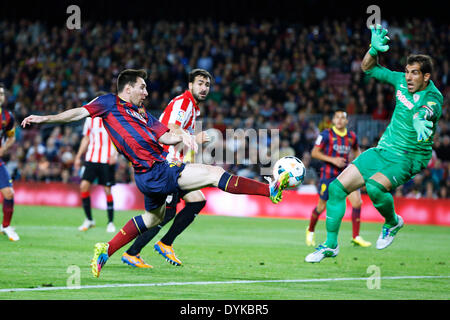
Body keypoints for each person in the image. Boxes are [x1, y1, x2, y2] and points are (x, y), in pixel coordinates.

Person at [21, 68, 290, 277]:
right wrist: (45, 118)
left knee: (152, 218)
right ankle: (270, 190)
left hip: (149, 176)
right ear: (128, 88)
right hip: (158, 170)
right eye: (142, 87)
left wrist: (185, 137)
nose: (146, 92)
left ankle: (107, 250)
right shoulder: (108, 103)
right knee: (212, 172)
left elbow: (166, 137)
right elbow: (77, 113)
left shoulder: (144, 116)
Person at [305, 25, 443, 263]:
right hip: (383, 150)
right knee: (337, 189)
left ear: (426, 77)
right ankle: (330, 245)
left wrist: (421, 118)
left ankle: (392, 222)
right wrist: (372, 49)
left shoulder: (434, 97)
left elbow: (428, 110)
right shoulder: (400, 80)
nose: (408, 77)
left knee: (375, 187)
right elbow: (368, 68)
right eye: (407, 71)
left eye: (415, 73)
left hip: (409, 156)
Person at [121, 69, 212, 268]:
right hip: (166, 163)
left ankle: (162, 243)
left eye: (207, 84)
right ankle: (135, 251)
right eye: (200, 83)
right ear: (190, 85)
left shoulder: (194, 108)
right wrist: (192, 137)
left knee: (196, 201)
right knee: (164, 214)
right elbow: (171, 126)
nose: (204, 88)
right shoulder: (184, 102)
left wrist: (191, 142)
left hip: (176, 162)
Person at [306, 109, 371, 248]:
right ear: (333, 120)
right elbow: (314, 153)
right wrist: (333, 160)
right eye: (337, 117)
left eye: (343, 118)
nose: (340, 120)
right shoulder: (325, 135)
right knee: (321, 206)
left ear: (347, 121)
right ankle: (310, 230)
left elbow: (356, 151)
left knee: (357, 203)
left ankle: (356, 236)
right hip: (329, 175)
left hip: (346, 175)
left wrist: (360, 166)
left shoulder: (352, 136)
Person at [74, 110, 119, 233]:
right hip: (91, 159)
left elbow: (118, 137)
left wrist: (115, 154)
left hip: (106, 159)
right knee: (84, 186)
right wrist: (78, 156)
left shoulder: (111, 118)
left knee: (107, 190)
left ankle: (110, 222)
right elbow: (86, 138)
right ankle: (89, 219)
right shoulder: (89, 120)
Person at [0, 83, 19, 241]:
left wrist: (4, 148)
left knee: (9, 193)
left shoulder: (7, 117)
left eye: (1, 94)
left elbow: (12, 137)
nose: (0, 97)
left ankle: (6, 226)